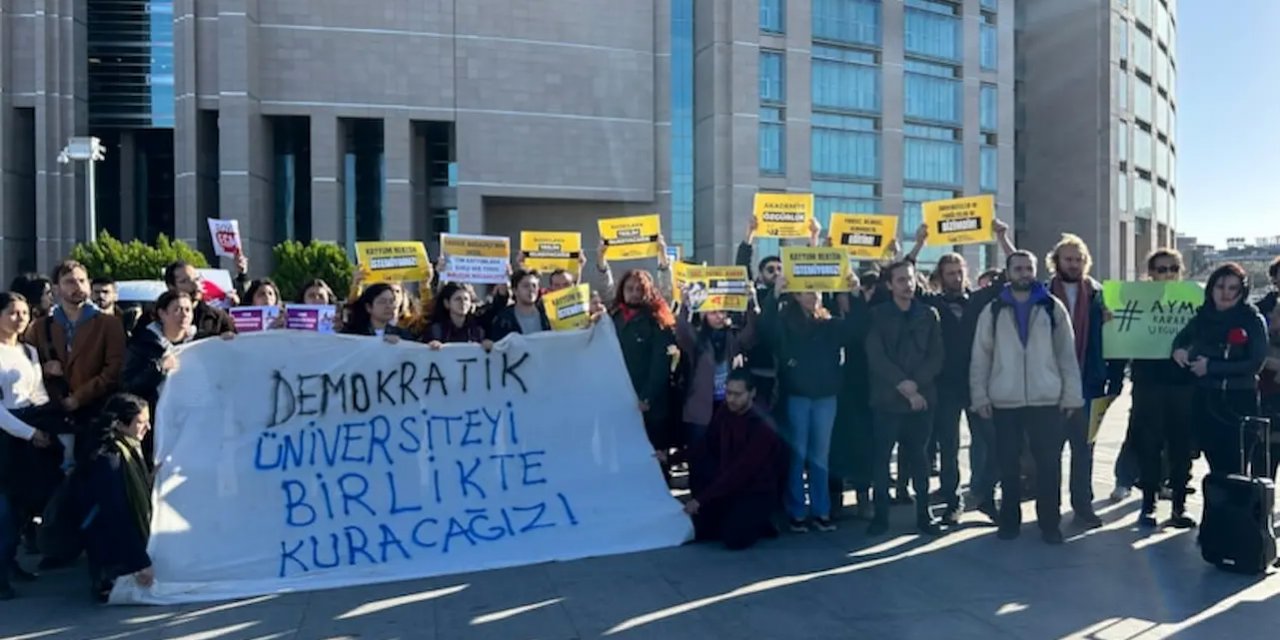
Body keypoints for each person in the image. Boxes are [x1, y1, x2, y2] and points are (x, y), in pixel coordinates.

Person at [970, 250, 1083, 545]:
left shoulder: (1051, 307)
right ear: (1008, 273)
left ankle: (1050, 523)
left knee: (1049, 464)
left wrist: (1071, 396)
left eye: (1028, 268)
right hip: (1005, 400)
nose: (1023, 273)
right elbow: (981, 357)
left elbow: (1066, 355)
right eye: (1018, 268)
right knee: (1007, 464)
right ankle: (1009, 521)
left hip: (1046, 399)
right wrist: (979, 395)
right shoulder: (993, 309)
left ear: (1035, 271)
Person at [759, 270, 860, 533]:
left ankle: (821, 511)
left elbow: (855, 330)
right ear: (796, 295)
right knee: (798, 455)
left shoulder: (830, 323)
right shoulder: (785, 322)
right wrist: (774, 295)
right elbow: (766, 331)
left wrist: (853, 294)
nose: (812, 296)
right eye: (806, 292)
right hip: (798, 397)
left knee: (820, 457)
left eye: (815, 291)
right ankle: (796, 511)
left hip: (826, 397)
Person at [865, 261, 944, 536]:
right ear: (889, 285)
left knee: (919, 458)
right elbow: (875, 356)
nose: (907, 285)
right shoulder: (877, 316)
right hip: (887, 399)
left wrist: (916, 385)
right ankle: (881, 516)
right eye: (900, 280)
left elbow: (936, 356)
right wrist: (902, 384)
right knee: (882, 459)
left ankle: (924, 515)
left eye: (910, 279)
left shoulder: (929, 314)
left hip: (922, 399)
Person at [1119, 250, 1197, 528]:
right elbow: (1121, 335)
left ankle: (1179, 506)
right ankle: (1148, 504)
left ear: (1180, 271)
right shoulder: (1136, 301)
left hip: (1182, 384)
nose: (1167, 274)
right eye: (1161, 269)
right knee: (1148, 445)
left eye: (1172, 268)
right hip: (1148, 383)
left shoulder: (1193, 301)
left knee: (1181, 447)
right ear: (1150, 273)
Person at [26, 260, 127, 467]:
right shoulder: (40, 327)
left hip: (95, 412)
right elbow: (26, 367)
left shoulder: (109, 324)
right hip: (54, 415)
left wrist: (79, 398)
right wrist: (44, 370)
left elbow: (114, 369)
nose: (77, 287)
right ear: (56, 288)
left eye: (82, 281)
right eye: (70, 282)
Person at [1172, 262, 1268, 477]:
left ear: (1241, 291)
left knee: (1236, 466)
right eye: (1220, 287)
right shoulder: (1203, 317)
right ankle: (1215, 510)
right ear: (1211, 288)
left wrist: (1212, 367)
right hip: (1205, 399)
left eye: (1232, 288)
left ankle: (1236, 510)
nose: (1225, 293)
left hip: (1238, 401)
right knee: (1214, 465)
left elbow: (1255, 363)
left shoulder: (1252, 319)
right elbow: (1182, 338)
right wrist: (1178, 349)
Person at [1044, 234, 1108, 529]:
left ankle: (1083, 506)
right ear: (1056, 262)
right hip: (1051, 387)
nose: (1074, 264)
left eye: (1079, 259)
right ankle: (1050, 510)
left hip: (1089, 384)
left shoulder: (1100, 295)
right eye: (1068, 259)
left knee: (1085, 451)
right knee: (1049, 452)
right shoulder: (1041, 296)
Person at [681, 370, 784, 550]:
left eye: (737, 394)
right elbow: (706, 443)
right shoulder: (725, 411)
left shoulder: (763, 425)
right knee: (700, 528)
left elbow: (741, 470)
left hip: (756, 490)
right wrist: (673, 457)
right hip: (729, 486)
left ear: (751, 393)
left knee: (734, 539)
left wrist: (701, 499)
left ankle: (762, 523)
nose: (731, 399)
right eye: (728, 393)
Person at [0, 292, 56, 600]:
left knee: (23, 505)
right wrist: (28, 432)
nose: (19, 318)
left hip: (31, 426)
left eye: (24, 313)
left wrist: (46, 424)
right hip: (8, 433)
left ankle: (10, 563)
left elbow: (37, 393)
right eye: (12, 312)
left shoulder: (29, 351)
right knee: (4, 509)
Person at [77, 394, 156, 602]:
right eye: (140, 422)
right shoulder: (108, 457)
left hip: (113, 547)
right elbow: (116, 513)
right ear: (120, 424)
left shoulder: (124, 448)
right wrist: (140, 562)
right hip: (111, 554)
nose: (147, 427)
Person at [673, 287, 758, 449]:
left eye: (723, 312)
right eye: (713, 312)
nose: (719, 316)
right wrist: (684, 305)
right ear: (704, 315)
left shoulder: (732, 336)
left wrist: (751, 302)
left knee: (725, 453)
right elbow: (682, 332)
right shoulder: (697, 339)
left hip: (727, 405)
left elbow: (751, 333)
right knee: (699, 455)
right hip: (700, 408)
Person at [122, 291, 197, 463]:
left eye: (188, 309)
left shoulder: (199, 342)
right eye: (177, 309)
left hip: (189, 425)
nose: (184, 314)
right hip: (155, 427)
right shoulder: (142, 345)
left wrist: (224, 341)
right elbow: (128, 385)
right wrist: (159, 368)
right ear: (162, 313)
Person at [610, 269, 676, 454]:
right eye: (630, 288)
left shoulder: (657, 321)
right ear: (622, 290)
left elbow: (661, 364)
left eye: (640, 289)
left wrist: (647, 396)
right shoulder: (612, 318)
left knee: (653, 455)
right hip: (621, 400)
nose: (634, 293)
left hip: (650, 404)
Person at [163, 261, 235, 340]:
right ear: (171, 287)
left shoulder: (218, 317)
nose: (195, 285)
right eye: (184, 281)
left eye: (197, 279)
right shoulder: (161, 318)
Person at [487, 269, 551, 341]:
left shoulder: (548, 315)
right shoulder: (504, 319)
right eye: (526, 286)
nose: (531, 289)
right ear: (515, 290)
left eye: (534, 286)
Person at [426, 283, 492, 349]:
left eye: (466, 299)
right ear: (447, 303)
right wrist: (432, 345)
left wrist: (486, 344)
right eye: (458, 299)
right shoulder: (436, 330)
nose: (463, 303)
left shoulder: (478, 331)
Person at [341, 283, 415, 342]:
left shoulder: (402, 334)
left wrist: (400, 344)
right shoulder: (352, 334)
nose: (388, 306)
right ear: (368, 307)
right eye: (382, 302)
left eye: (391, 301)